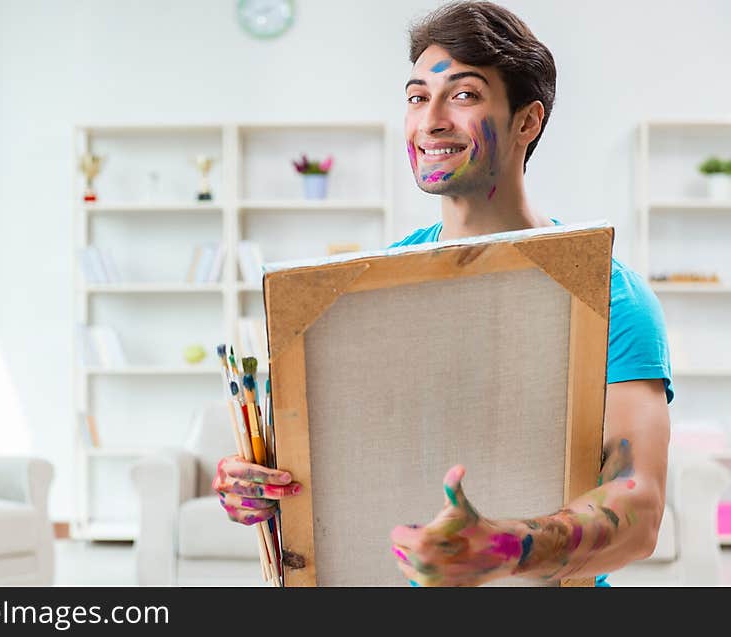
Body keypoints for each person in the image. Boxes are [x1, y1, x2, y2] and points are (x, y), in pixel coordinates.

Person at [212, 0, 672, 587]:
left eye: (463, 95)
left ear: (527, 122)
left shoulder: (609, 295)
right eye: (415, 97)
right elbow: (330, 463)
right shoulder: (369, 287)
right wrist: (258, 486)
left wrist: (503, 548)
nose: (429, 120)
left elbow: (639, 511)